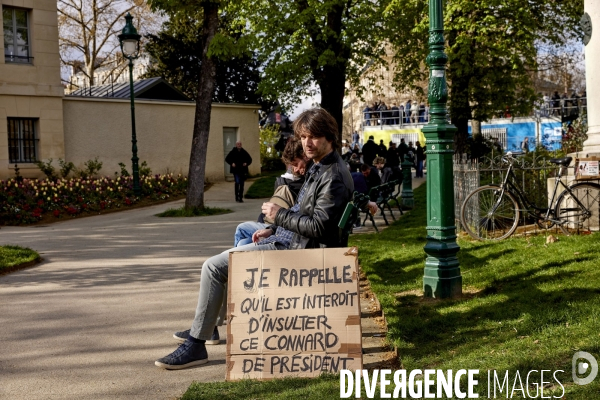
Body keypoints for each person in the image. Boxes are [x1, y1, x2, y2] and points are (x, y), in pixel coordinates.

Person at [154, 108, 354, 370]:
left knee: (213, 267)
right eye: (303, 136)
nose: (306, 143)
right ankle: (203, 332)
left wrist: (278, 215)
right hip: (294, 245)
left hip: (302, 256)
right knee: (234, 247)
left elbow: (319, 227)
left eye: (313, 136)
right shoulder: (321, 167)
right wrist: (273, 229)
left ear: (329, 136)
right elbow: (306, 214)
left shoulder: (333, 176)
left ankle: (197, 343)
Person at [234, 139, 309, 247]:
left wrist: (273, 227)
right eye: (291, 166)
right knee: (243, 242)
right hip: (278, 227)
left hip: (285, 234)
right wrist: (271, 228)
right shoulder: (288, 180)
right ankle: (237, 261)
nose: (295, 169)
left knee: (242, 231)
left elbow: (305, 220)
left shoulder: (308, 182)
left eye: (296, 164)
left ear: (305, 156)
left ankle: (238, 261)